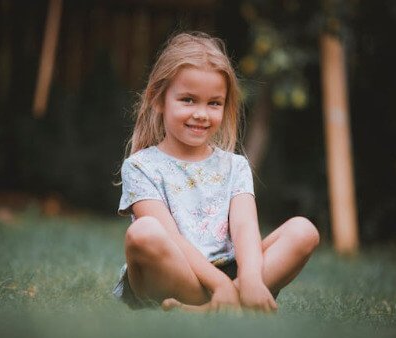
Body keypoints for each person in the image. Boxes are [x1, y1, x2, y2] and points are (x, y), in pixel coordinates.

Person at [113, 31, 320, 312]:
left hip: (230, 271)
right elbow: (170, 237)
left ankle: (216, 305)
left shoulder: (235, 166)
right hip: (173, 273)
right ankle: (226, 301)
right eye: (188, 100)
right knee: (143, 232)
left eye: (214, 103)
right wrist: (218, 284)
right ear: (157, 99)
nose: (201, 113)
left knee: (303, 230)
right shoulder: (141, 166)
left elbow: (245, 228)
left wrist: (249, 277)